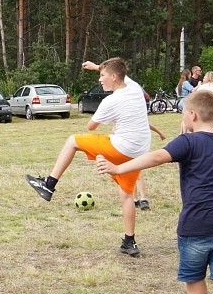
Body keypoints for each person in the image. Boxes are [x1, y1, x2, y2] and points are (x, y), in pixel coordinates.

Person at [96, 90, 213, 294]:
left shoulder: (187, 142)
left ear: (193, 115)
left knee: (195, 278)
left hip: (197, 223)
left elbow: (155, 157)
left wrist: (118, 169)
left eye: (184, 112)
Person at [26, 58, 151, 257]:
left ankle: (48, 185)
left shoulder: (110, 101)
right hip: (138, 152)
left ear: (113, 77)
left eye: (102, 76)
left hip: (121, 148)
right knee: (126, 194)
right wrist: (96, 67)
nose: (100, 80)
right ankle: (129, 242)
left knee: (73, 140)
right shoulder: (134, 87)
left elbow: (91, 126)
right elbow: (116, 71)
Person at [134, 123, 168, 211]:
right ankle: (134, 199)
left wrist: (160, 133)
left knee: (137, 172)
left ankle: (142, 199)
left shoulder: (136, 114)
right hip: (126, 145)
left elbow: (146, 124)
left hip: (135, 145)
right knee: (131, 173)